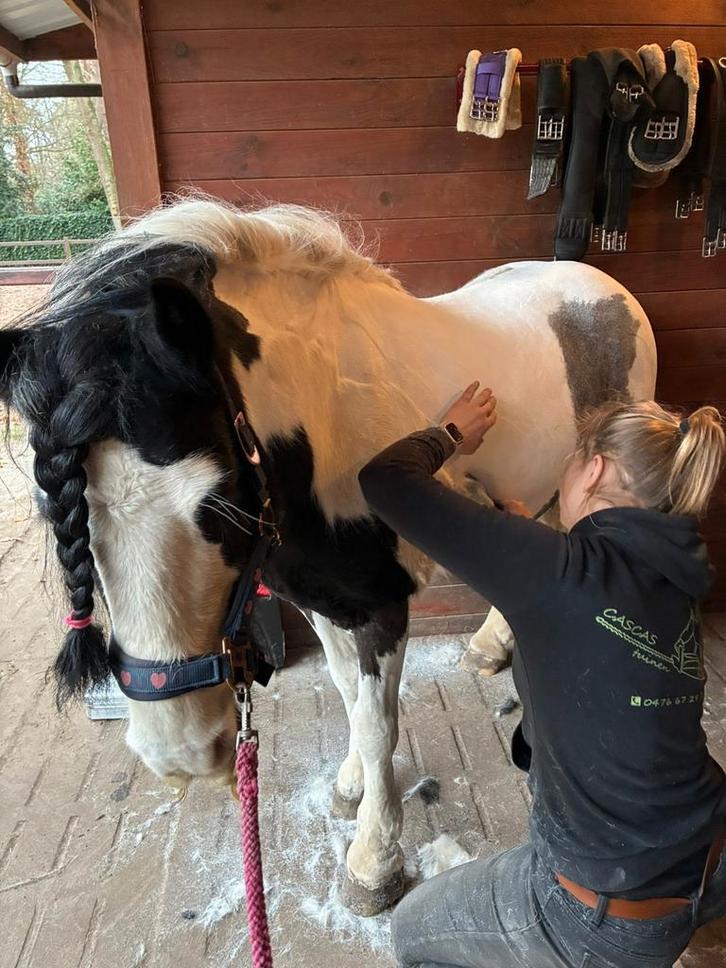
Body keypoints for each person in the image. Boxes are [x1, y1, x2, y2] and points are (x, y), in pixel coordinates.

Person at [358, 383, 726, 968]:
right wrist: (537, 549)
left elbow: (385, 480)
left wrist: (451, 434)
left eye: (571, 461)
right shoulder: (676, 571)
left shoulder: (558, 574)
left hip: (606, 912)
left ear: (594, 468)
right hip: (707, 849)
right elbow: (592, 599)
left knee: (413, 930)